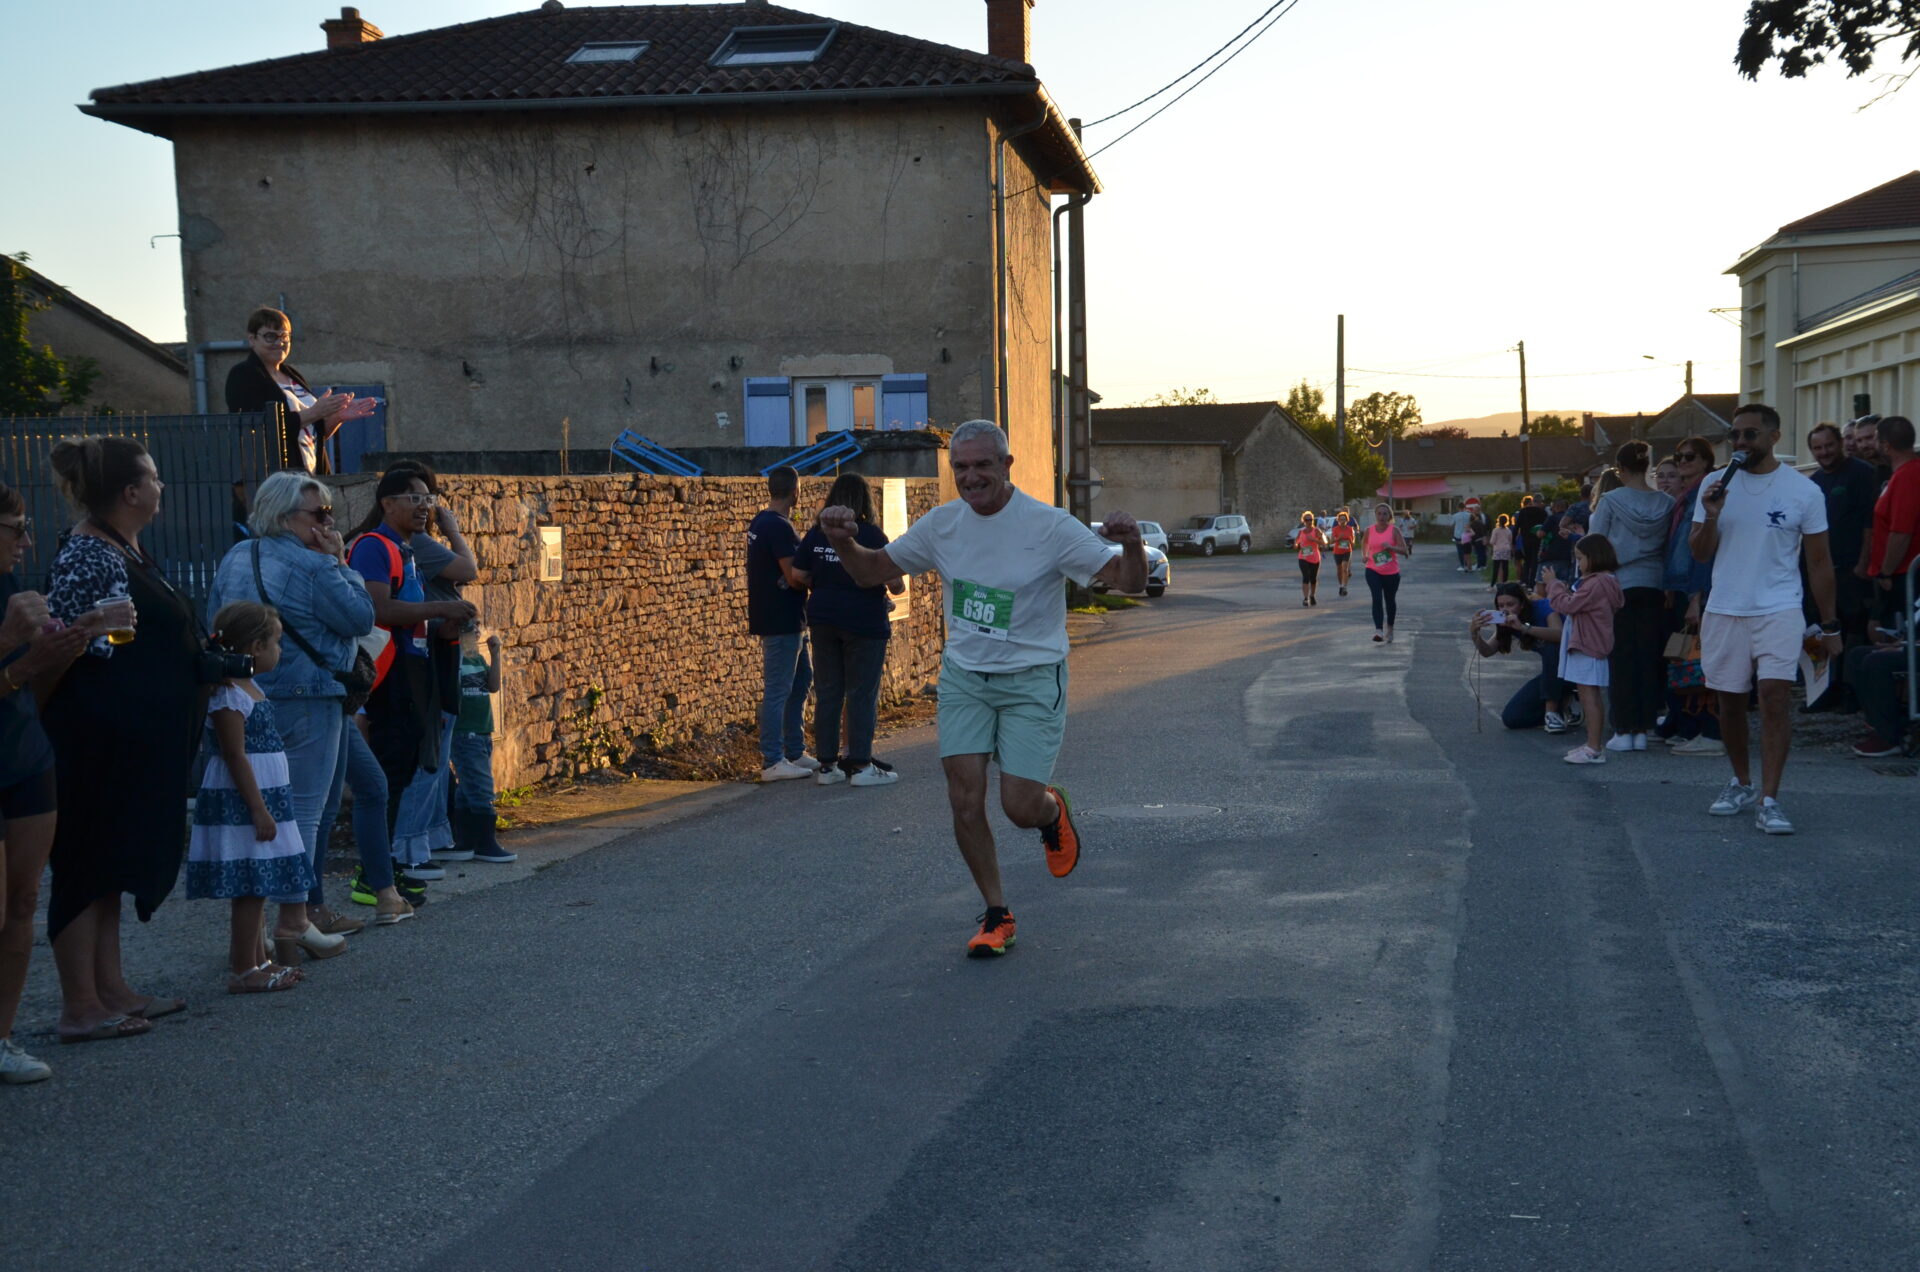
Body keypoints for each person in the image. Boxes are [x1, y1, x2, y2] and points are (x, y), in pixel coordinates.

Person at [819, 420, 1145, 958]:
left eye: (982, 465)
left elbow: (1129, 582)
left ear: (1006, 465)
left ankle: (1050, 811)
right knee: (964, 797)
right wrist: (843, 542)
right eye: (961, 467)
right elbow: (872, 572)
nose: (971, 477)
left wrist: (1132, 543)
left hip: (1032, 679)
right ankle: (997, 913)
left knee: (1018, 807)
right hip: (966, 678)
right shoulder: (943, 524)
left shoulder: (1048, 525)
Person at [40, 436, 206, 1042]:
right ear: (131, 492)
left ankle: (111, 990)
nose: (162, 486)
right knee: (85, 866)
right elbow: (57, 647)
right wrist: (92, 628)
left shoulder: (123, 547)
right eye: (154, 478)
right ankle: (79, 1007)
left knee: (109, 865)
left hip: (129, 741)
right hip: (94, 741)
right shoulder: (89, 553)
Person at [208, 471, 381, 949]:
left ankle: (261, 929)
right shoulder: (315, 565)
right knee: (304, 811)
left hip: (251, 697)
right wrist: (339, 561)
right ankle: (293, 920)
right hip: (311, 698)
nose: (329, 522)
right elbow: (361, 617)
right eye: (320, 513)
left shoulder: (237, 556)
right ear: (285, 518)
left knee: (264, 810)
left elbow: (215, 621)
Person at [1690, 403, 1843, 835]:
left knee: (1774, 695)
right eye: (1735, 435)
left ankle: (1770, 799)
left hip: (1779, 607)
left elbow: (1819, 562)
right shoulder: (1713, 485)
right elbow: (1699, 553)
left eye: (1750, 434)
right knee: (1730, 702)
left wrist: (1830, 625)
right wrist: (1712, 514)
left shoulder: (1803, 491)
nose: (1740, 442)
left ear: (1774, 437)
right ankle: (1741, 781)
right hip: (1725, 607)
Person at [1, 491, 92, 1083]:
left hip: (25, 758)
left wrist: (65, 647)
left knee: (23, 902)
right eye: (16, 528)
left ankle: (2, 1038)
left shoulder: (12, 587)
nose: (27, 541)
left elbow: (28, 686)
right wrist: (19, 659)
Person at [348, 468, 477, 846]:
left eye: (428, 499)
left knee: (413, 761)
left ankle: (401, 855)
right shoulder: (374, 546)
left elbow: (411, 617)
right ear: (387, 504)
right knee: (392, 767)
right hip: (388, 672)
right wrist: (441, 609)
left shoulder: (407, 549)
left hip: (414, 668)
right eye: (414, 498)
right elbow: (379, 610)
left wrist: (443, 628)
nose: (424, 506)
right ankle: (390, 860)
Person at [186, 602, 312, 991]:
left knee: (257, 885)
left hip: (266, 797)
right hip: (243, 802)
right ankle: (244, 969)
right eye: (276, 642)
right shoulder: (228, 694)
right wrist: (258, 809)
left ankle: (259, 961)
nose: (280, 650)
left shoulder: (249, 688)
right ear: (256, 647)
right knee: (250, 887)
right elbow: (234, 754)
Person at [791, 473, 906, 786]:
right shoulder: (871, 535)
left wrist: (824, 581)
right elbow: (895, 584)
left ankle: (828, 767)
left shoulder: (817, 533)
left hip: (823, 618)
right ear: (866, 500)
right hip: (864, 621)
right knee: (861, 693)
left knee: (828, 691)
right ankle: (861, 764)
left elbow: (798, 574)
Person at [1590, 442, 1675, 752]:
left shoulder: (1611, 501)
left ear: (1621, 469)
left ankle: (1624, 729)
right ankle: (1646, 725)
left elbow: (1595, 544)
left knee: (1622, 657)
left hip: (1619, 584)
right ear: (1647, 466)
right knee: (1649, 657)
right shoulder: (1666, 503)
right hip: (1654, 583)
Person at [224, 306, 375, 475]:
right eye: (270, 336)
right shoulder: (243, 374)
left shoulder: (292, 374)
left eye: (285, 336)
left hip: (312, 475)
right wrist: (316, 412)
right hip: (279, 478)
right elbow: (260, 428)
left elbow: (313, 433)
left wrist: (337, 417)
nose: (279, 343)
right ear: (252, 339)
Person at [748, 466, 819, 782]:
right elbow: (794, 577)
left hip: (787, 618)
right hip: (782, 619)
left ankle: (794, 750)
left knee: (801, 681)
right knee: (779, 689)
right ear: (795, 492)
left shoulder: (760, 522)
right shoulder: (779, 527)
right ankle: (773, 760)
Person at [1804, 422, 1881, 706]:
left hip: (1852, 569)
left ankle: (1850, 691)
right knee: (1817, 630)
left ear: (1840, 444)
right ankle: (1820, 691)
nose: (1824, 452)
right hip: (1819, 570)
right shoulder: (1812, 483)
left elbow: (1870, 523)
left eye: (1829, 445)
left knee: (1853, 630)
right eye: (1818, 448)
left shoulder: (1862, 473)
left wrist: (1863, 563)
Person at [1657, 437, 1724, 755]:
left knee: (1702, 660)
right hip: (1682, 587)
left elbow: (1702, 554)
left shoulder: (1704, 496)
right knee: (1685, 657)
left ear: (1706, 462)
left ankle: (1711, 731)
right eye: (1679, 456)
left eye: (1690, 457)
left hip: (1698, 589)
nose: (1682, 461)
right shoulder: (1685, 497)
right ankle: (1688, 725)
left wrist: (1697, 598)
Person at [1544, 534, 1623, 764]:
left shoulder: (1596, 583)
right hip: (1592, 643)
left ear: (1594, 557)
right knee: (1589, 694)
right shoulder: (1607, 581)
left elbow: (1567, 605)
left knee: (1589, 696)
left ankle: (1594, 749)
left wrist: (1553, 584)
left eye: (1580, 558)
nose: (1578, 564)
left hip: (1588, 644)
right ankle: (1591, 744)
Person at [449, 627, 516, 863]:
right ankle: (485, 843)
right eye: (470, 626)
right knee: (480, 786)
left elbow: (493, 686)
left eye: (478, 625)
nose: (476, 631)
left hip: (482, 730)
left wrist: (496, 655)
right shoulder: (454, 658)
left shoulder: (476, 658)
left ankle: (465, 842)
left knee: (468, 787)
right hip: (464, 733)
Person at [1469, 582, 1569, 730]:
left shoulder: (1544, 607)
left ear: (1522, 604)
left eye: (1510, 604)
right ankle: (1563, 708)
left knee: (1550, 648)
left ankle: (1552, 712)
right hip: (1553, 674)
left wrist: (1524, 628)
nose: (1505, 610)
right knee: (1512, 718)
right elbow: (1487, 651)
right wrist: (1474, 633)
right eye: (1500, 606)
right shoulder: (1507, 622)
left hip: (1577, 667)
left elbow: (1560, 635)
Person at [1860, 415, 1918, 633]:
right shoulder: (1902, 475)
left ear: (1885, 446)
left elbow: (1901, 531)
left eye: (1875, 440)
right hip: (1901, 574)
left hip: (1905, 577)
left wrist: (1886, 572)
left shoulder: (1907, 476)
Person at [1362, 502, 1412, 643]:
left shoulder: (1394, 530)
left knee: (1390, 600)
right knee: (1377, 598)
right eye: (1379, 514)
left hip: (1391, 572)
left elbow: (1405, 551)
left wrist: (1391, 547)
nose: (1382, 516)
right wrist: (1365, 555)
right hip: (1372, 569)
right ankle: (1378, 630)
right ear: (1375, 515)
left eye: (1385, 514)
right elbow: (1364, 543)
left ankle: (1390, 628)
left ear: (1389, 516)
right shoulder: (1369, 530)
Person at [1290, 510, 1327, 607]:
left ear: (1313, 520)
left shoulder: (1317, 531)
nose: (1309, 521)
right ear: (1304, 521)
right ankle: (1306, 598)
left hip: (1315, 558)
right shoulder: (1301, 532)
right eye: (1307, 520)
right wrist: (1295, 544)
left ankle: (1312, 595)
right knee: (1306, 577)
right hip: (1303, 557)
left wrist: (1313, 539)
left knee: (1313, 579)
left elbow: (1324, 543)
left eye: (1310, 519)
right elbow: (1296, 542)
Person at [1514, 494, 1547, 586]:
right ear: (1540, 502)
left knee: (1527, 561)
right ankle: (1533, 581)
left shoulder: (1523, 511)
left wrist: (1513, 541)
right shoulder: (1542, 512)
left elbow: (1517, 527)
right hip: (1537, 539)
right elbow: (1546, 526)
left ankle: (1525, 580)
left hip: (1526, 539)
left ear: (1533, 501)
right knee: (1535, 560)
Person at [1327, 509, 1357, 597]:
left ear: (1347, 520)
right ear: (1338, 520)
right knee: (1339, 570)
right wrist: (1338, 538)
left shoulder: (1350, 529)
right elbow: (1331, 542)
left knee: (1345, 568)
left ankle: (1344, 587)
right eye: (1341, 519)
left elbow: (1353, 542)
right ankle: (1340, 585)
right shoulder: (1335, 529)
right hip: (1337, 551)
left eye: (1344, 519)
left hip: (1347, 551)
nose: (1342, 521)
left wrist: (1351, 541)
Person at [1487, 514, 1515, 586]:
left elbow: (1492, 541)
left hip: (1498, 549)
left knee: (1496, 568)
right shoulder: (1508, 531)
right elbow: (1510, 541)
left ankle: (1492, 584)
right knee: (1505, 567)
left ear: (1498, 521)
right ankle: (1505, 583)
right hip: (1506, 549)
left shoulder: (1495, 530)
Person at [1450, 504, 1474, 571]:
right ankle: (1469, 565)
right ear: (1464, 507)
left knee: (1460, 550)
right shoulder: (1469, 515)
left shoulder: (1455, 515)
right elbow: (1472, 522)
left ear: (1458, 508)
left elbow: (1451, 524)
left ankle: (1463, 565)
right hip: (1466, 534)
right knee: (1467, 551)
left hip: (1458, 534)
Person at [1468, 504, 1490, 570]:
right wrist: (1486, 537)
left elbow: (1472, 532)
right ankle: (1484, 565)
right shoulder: (1482, 520)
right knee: (1483, 552)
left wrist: (1472, 541)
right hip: (1482, 537)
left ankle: (1480, 566)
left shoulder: (1474, 523)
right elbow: (1487, 528)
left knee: (1479, 553)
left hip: (1477, 538)